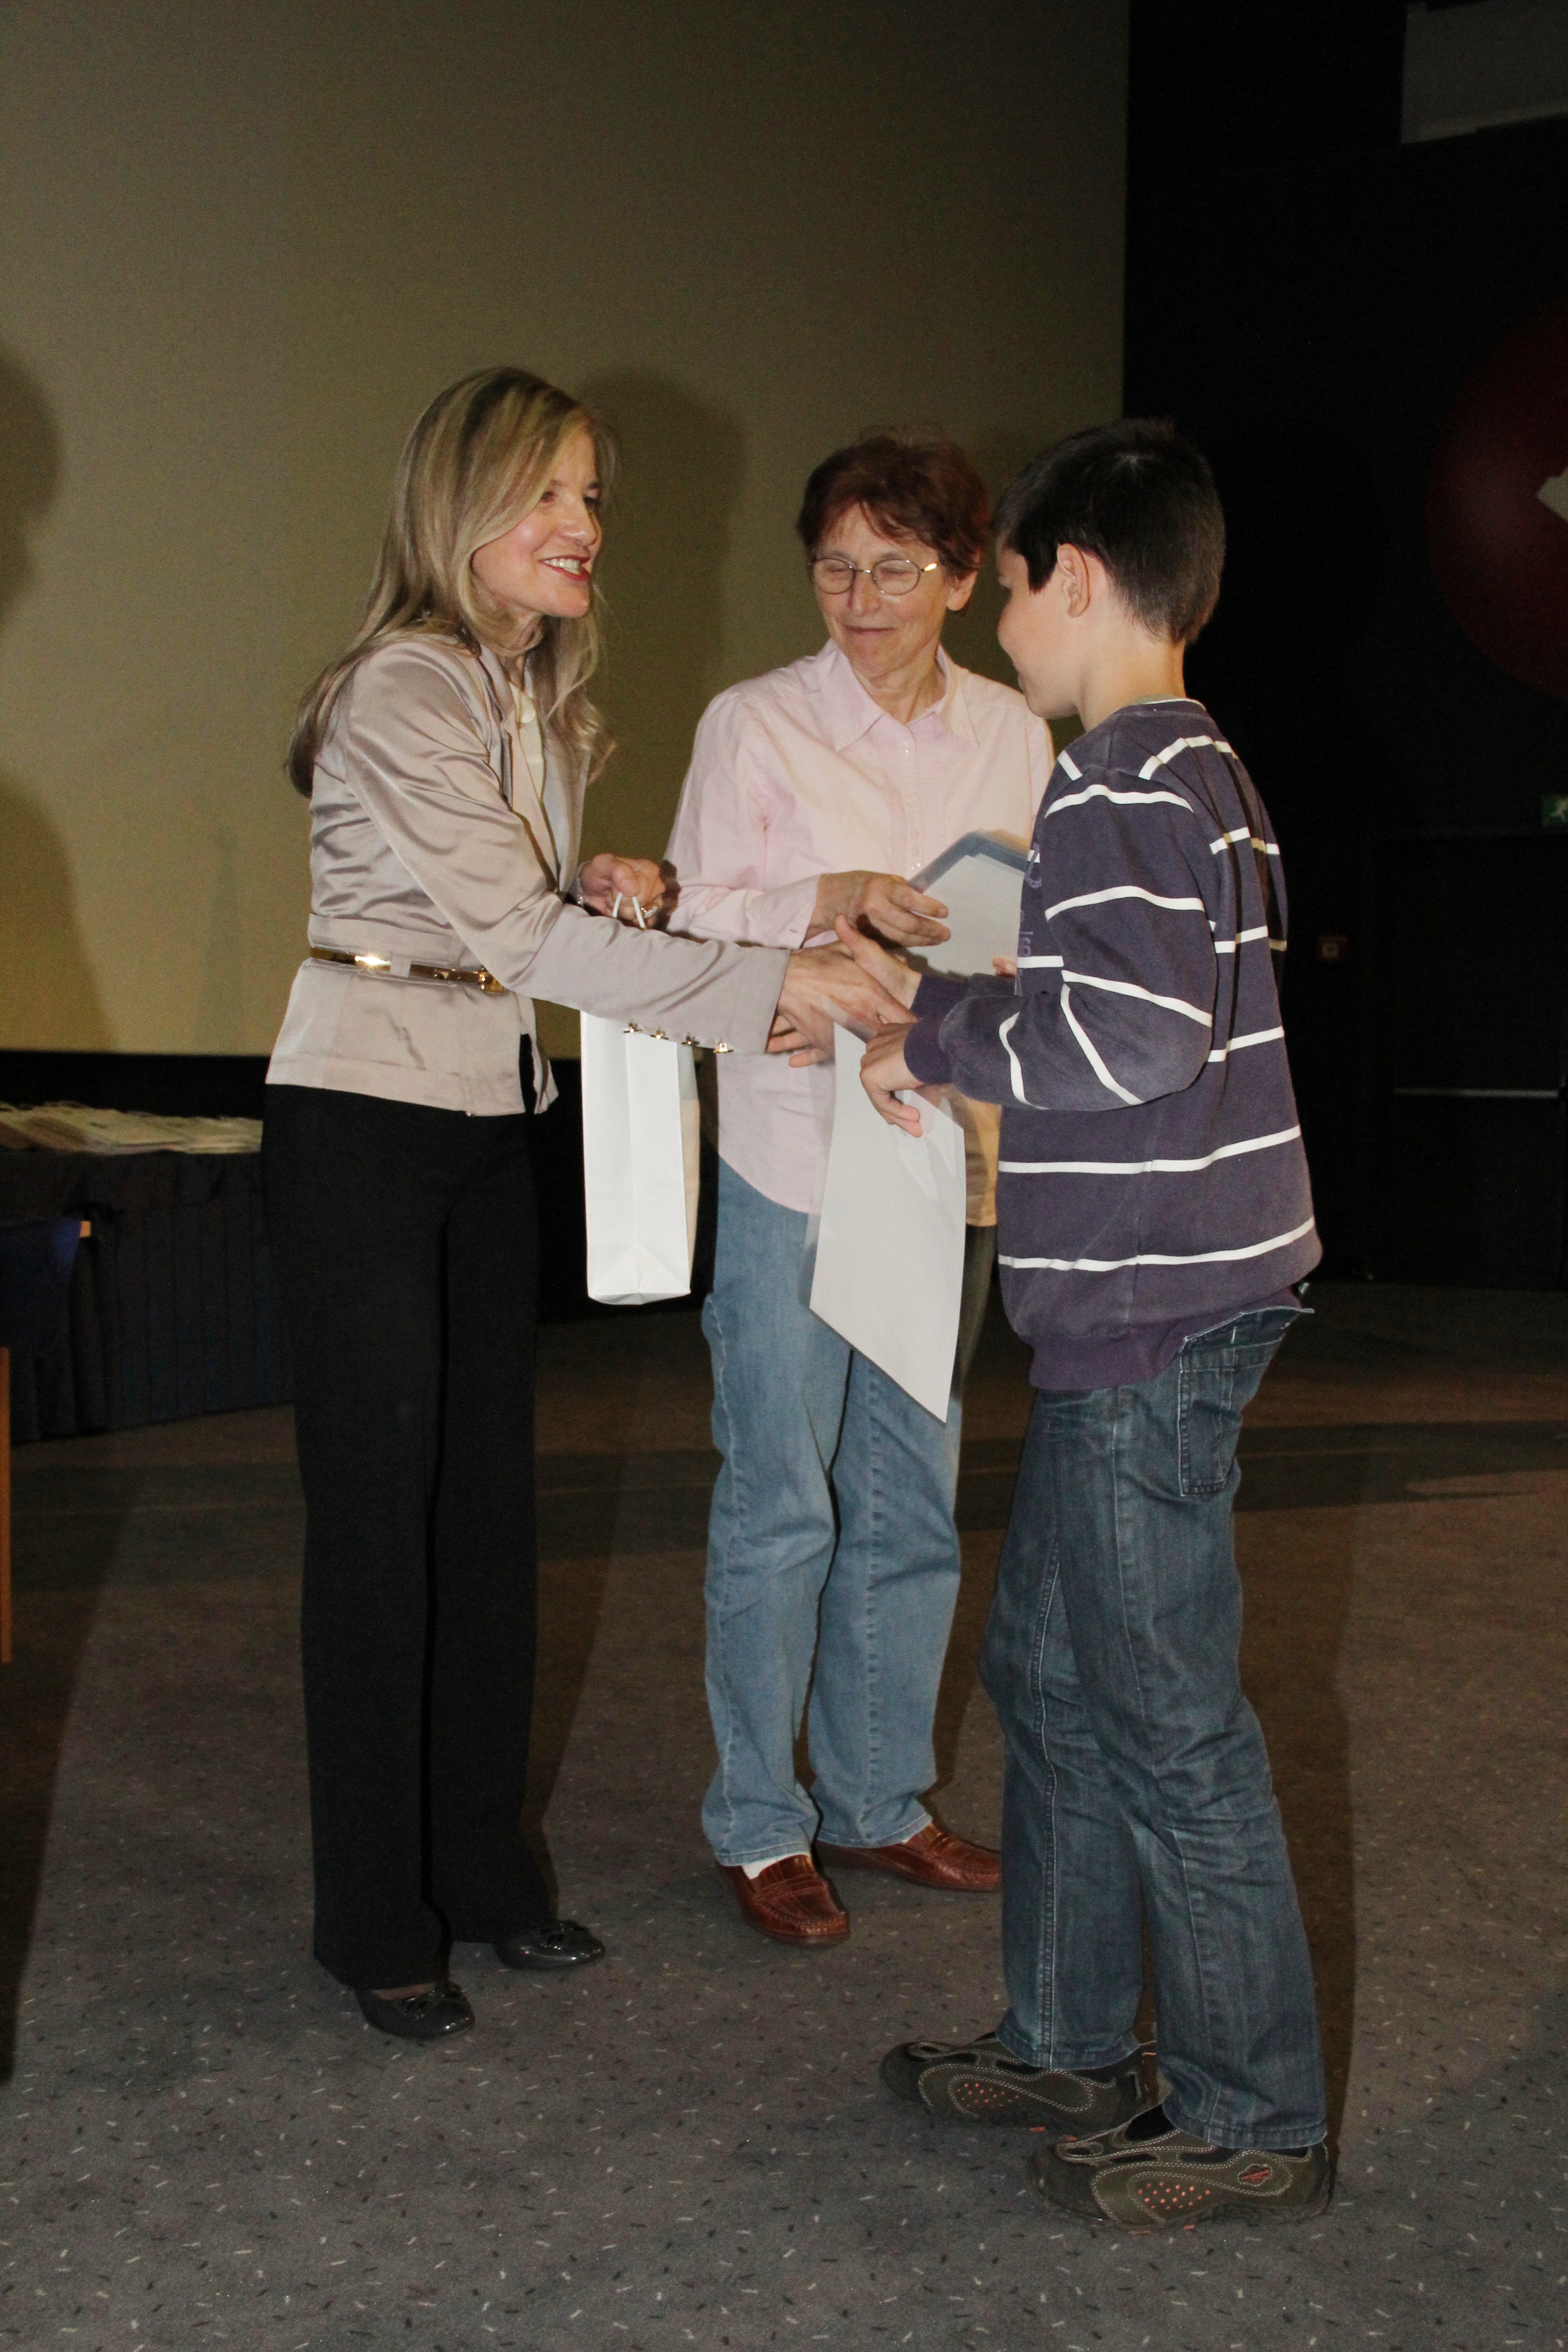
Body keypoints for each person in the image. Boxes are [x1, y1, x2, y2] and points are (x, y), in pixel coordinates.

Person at [260, 368, 908, 2043]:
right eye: (547, 492)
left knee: (485, 1521)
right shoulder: (404, 683)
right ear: (457, 504)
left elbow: (519, 910)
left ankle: (484, 1878)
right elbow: (517, 938)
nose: (583, 525)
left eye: (593, 496)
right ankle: (373, 1920)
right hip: (362, 1119)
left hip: (488, 1114)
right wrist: (769, 982)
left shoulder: (521, 688)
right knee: (379, 1535)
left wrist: (601, 877)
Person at [843, 421, 1331, 2225]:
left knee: (1166, 1720)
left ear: (1077, 577)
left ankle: (1256, 2114)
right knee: (1052, 1676)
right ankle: (1066, 2038)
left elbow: (1125, 1040)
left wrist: (939, 1029)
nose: (1002, 628)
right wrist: (1013, 990)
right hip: (1163, 1296)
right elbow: (1148, 1011)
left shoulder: (1123, 776)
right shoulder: (1203, 767)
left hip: (1148, 1308)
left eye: (1010, 589)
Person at [661, 430, 1053, 1946]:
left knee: (911, 1500)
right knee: (780, 1500)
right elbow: (688, 925)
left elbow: (1037, 930)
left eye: (896, 567)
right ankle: (762, 1824)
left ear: (960, 578)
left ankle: (882, 1800)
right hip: (790, 1152)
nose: (861, 597)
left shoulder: (1013, 731)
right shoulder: (755, 722)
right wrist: (825, 901)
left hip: (942, 1149)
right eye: (835, 566)